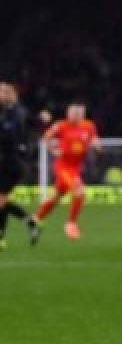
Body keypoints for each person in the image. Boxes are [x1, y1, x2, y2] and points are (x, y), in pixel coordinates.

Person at [34, 102, 99, 240]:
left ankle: (35, 218)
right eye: (73, 112)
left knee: (56, 196)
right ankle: (70, 224)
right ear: (68, 113)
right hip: (63, 166)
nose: (75, 115)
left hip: (75, 167)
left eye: (79, 113)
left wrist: (96, 145)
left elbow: (94, 139)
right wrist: (53, 150)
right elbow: (46, 138)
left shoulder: (89, 126)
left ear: (83, 114)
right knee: (79, 190)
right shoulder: (60, 125)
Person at [0, 82, 48, 249]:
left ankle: (5, 235)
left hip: (12, 163)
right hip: (8, 161)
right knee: (2, 200)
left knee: (1, 199)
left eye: (1, 92)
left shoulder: (15, 113)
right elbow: (35, 122)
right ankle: (31, 224)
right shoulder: (10, 112)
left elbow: (9, 135)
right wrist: (42, 119)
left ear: (9, 94)